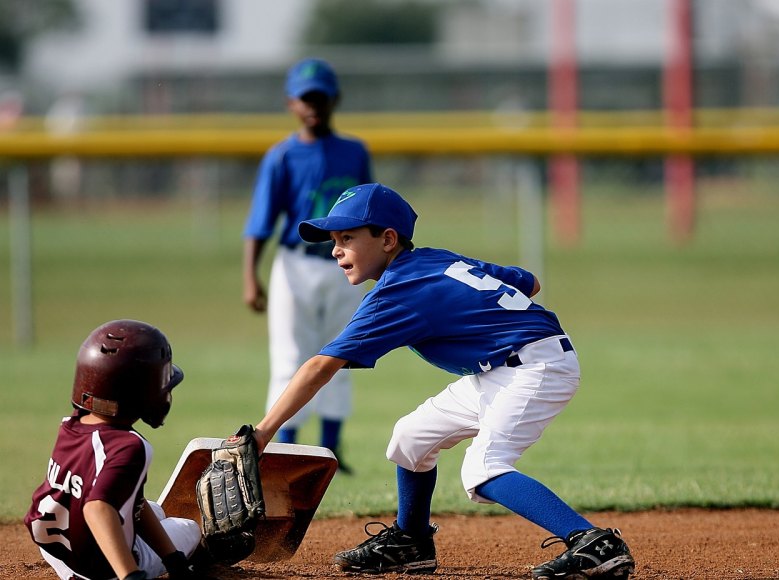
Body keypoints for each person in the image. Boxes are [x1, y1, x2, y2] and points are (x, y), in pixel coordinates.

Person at [249, 183, 636, 579]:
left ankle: (593, 542)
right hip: (504, 366)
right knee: (410, 437)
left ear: (387, 239)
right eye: (333, 240)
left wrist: (263, 433)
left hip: (535, 367)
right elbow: (529, 282)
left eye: (347, 237)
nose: (335, 250)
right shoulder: (435, 260)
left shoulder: (397, 292)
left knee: (484, 469)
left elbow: (318, 368)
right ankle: (410, 540)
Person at [242, 57, 372, 471]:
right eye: (305, 99)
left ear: (336, 99)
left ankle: (331, 451)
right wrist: (251, 276)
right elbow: (261, 221)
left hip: (347, 265)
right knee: (290, 356)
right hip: (295, 264)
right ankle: (285, 448)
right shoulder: (282, 156)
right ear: (291, 103)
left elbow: (369, 212)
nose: (313, 106)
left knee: (342, 353)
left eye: (320, 97)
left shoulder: (354, 152)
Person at [24, 319, 202, 580]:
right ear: (140, 393)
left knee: (153, 508)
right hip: (103, 568)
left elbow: (134, 505)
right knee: (189, 528)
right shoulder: (131, 446)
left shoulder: (72, 424)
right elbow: (96, 508)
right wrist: (131, 574)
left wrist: (172, 559)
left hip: (57, 550)